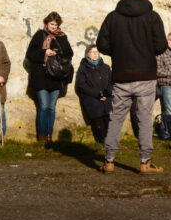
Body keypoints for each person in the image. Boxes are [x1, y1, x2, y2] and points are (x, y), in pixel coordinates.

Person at [96, 0, 168, 174]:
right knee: (144, 119)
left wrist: (118, 53)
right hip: (145, 76)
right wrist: (146, 51)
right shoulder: (152, 17)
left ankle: (109, 161)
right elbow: (161, 46)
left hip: (121, 76)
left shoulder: (113, 17)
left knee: (116, 119)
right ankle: (145, 162)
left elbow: (102, 45)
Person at [26, 12, 73, 146]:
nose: (53, 27)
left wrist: (58, 53)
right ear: (46, 23)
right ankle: (41, 135)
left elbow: (69, 53)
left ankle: (49, 135)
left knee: (51, 107)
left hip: (56, 77)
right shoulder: (39, 35)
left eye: (56, 25)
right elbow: (30, 54)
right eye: (51, 24)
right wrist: (44, 53)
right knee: (44, 106)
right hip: (41, 77)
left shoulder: (62, 37)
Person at [76, 45, 113, 143]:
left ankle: (110, 140)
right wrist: (98, 94)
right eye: (93, 52)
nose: (95, 54)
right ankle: (102, 139)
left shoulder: (106, 67)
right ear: (87, 54)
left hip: (106, 96)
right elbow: (82, 85)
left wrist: (106, 93)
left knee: (109, 114)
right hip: (92, 98)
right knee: (97, 112)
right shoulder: (83, 68)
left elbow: (111, 82)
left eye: (97, 52)